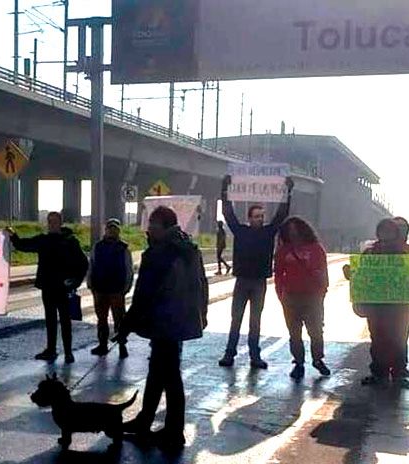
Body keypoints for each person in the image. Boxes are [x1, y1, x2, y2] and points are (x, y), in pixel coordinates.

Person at [119, 206, 208, 450]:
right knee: (161, 373)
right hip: (179, 321)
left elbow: (143, 295)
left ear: (164, 227)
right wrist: (202, 314)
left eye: (153, 226)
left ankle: (173, 431)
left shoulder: (158, 254)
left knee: (168, 376)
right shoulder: (188, 247)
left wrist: (126, 325)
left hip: (163, 320)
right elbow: (202, 283)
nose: (149, 229)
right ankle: (148, 420)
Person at [218, 174, 294, 369]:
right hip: (243, 281)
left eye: (262, 216)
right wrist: (225, 190)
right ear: (249, 218)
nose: (260, 219)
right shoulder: (240, 231)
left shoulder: (269, 232)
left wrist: (288, 191)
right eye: (256, 216)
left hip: (259, 282)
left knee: (255, 321)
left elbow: (281, 214)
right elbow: (228, 213)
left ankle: (254, 356)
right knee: (236, 319)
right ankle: (230, 354)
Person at [5, 212, 88, 364]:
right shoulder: (44, 240)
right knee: (50, 319)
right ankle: (51, 349)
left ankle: (68, 352)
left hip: (63, 287)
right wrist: (13, 235)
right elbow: (24, 245)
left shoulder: (70, 241)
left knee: (65, 320)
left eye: (55, 222)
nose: (52, 224)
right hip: (48, 286)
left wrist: (75, 281)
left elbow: (83, 264)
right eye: (50, 222)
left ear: (60, 223)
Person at [350, 218, 409, 388]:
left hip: (400, 305)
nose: (386, 235)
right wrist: (351, 274)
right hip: (376, 306)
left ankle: (399, 372)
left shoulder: (408, 252)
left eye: (390, 231)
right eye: (383, 231)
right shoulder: (370, 252)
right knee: (377, 338)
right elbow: (361, 275)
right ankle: (379, 372)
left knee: (399, 338)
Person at [274, 216, 330, 380]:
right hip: (291, 295)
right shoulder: (284, 250)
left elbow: (322, 270)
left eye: (296, 231)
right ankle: (298, 362)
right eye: (290, 231)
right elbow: (278, 272)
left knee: (316, 331)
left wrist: (322, 291)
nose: (293, 234)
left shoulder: (315, 249)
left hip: (312, 295)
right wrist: (281, 293)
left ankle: (317, 359)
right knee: (294, 332)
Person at [87, 218, 133, 359]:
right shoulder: (98, 246)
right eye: (110, 228)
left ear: (118, 231)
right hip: (100, 288)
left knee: (119, 320)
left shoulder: (123, 248)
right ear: (106, 230)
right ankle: (103, 345)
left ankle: (122, 346)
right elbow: (92, 265)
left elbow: (128, 269)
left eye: (114, 229)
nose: (112, 231)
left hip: (116, 289)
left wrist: (126, 287)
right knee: (102, 319)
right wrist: (90, 284)